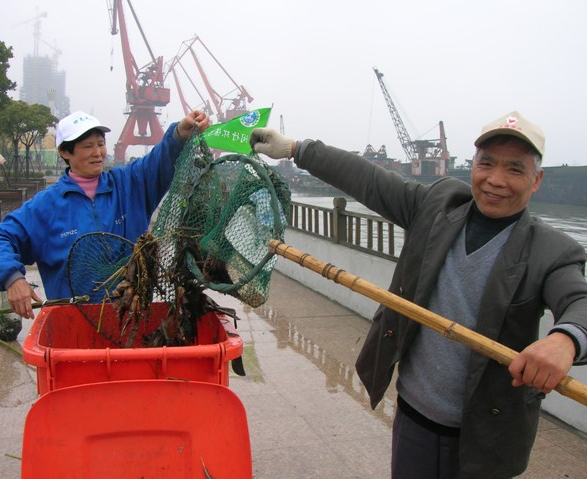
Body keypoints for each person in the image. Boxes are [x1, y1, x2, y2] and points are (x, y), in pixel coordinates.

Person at [250, 111, 587, 479]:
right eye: (486, 164)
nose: (495, 180)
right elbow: (368, 180)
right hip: (414, 416)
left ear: (537, 180)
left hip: (486, 437)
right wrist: (296, 149)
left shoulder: (552, 250)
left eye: (515, 169)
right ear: (472, 166)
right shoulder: (438, 205)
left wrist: (565, 341)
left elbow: (579, 301)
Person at [0, 109, 210, 320]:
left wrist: (179, 134)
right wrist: (12, 278)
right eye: (87, 146)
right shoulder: (45, 206)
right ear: (65, 152)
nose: (97, 153)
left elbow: (160, 160)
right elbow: (0, 238)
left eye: (101, 144)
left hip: (131, 318)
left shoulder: (130, 184)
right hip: (73, 322)